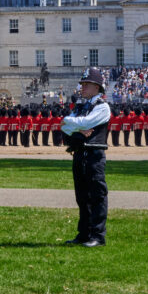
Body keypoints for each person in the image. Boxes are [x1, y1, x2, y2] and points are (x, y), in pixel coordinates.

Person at [61, 68, 111, 248]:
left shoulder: (102, 107)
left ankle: (98, 235)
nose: (82, 87)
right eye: (82, 84)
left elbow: (85, 123)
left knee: (97, 196)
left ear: (97, 87)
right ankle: (84, 233)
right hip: (79, 152)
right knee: (82, 196)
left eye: (86, 84)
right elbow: (63, 126)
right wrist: (76, 126)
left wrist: (73, 124)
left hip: (94, 155)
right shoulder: (81, 107)